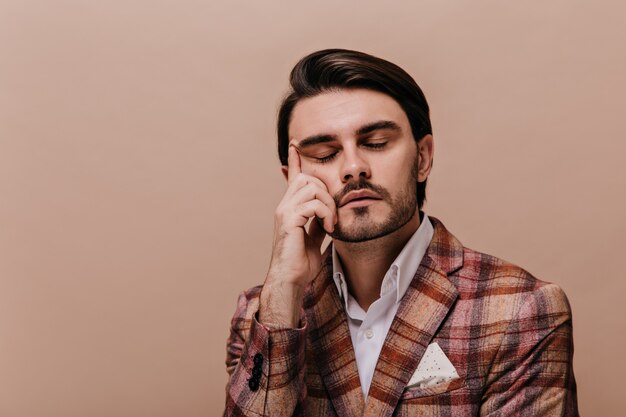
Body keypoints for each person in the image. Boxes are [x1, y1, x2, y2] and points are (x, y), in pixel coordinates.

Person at [223, 49, 578, 416]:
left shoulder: (522, 308)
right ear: (293, 181)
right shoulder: (260, 315)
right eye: (326, 153)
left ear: (422, 158)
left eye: (375, 143)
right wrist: (282, 291)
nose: (353, 167)